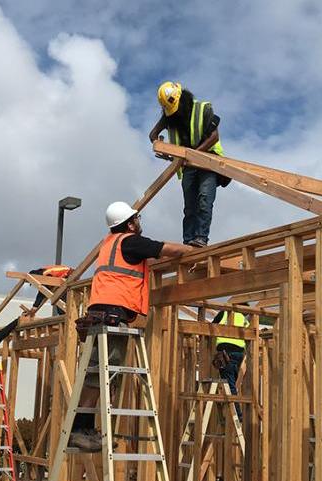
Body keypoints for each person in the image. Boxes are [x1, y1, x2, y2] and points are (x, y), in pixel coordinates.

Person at [69, 201, 192, 451]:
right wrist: (191, 249)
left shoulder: (108, 244)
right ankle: (80, 430)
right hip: (112, 316)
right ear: (129, 223)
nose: (139, 222)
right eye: (136, 218)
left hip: (99, 313)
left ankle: (84, 428)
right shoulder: (130, 241)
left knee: (96, 373)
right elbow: (166, 249)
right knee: (102, 375)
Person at [149, 81, 227, 247]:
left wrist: (194, 154)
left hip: (208, 162)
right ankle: (188, 241)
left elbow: (214, 137)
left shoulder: (202, 109)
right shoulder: (170, 117)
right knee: (190, 207)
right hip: (188, 167)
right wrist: (160, 144)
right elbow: (153, 134)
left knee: (205, 200)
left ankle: (201, 238)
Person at [211, 308, 250, 417]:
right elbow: (250, 331)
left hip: (227, 353)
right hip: (239, 354)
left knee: (230, 384)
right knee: (232, 381)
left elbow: (211, 326)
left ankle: (237, 414)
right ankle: (234, 411)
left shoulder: (224, 313)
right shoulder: (242, 317)